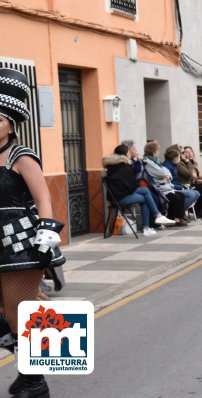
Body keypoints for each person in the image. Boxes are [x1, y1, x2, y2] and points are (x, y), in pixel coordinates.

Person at [0, 68, 66, 398]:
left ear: (11, 124)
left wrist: (45, 238)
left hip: (20, 245)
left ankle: (35, 381)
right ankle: (27, 374)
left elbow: (43, 198)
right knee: (8, 314)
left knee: (17, 311)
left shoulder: (20, 155)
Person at [103, 144, 175, 235]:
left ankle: (156, 217)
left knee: (145, 190)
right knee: (146, 198)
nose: (130, 153)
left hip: (115, 196)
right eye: (129, 151)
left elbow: (129, 186)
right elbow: (132, 186)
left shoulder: (113, 166)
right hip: (120, 198)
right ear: (126, 154)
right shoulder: (124, 167)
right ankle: (148, 225)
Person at [143, 141, 188, 226]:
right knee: (174, 198)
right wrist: (164, 176)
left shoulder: (156, 161)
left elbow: (166, 173)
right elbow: (162, 173)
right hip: (159, 188)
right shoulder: (148, 162)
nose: (159, 152)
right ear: (153, 152)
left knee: (181, 195)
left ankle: (177, 219)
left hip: (166, 186)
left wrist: (166, 176)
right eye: (157, 151)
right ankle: (170, 219)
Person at [162, 148, 200, 217]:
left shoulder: (174, 165)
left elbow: (194, 175)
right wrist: (181, 187)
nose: (181, 158)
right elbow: (189, 174)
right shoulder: (169, 166)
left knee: (197, 193)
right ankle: (179, 214)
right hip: (172, 188)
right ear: (174, 158)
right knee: (192, 195)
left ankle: (180, 212)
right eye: (180, 156)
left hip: (180, 186)